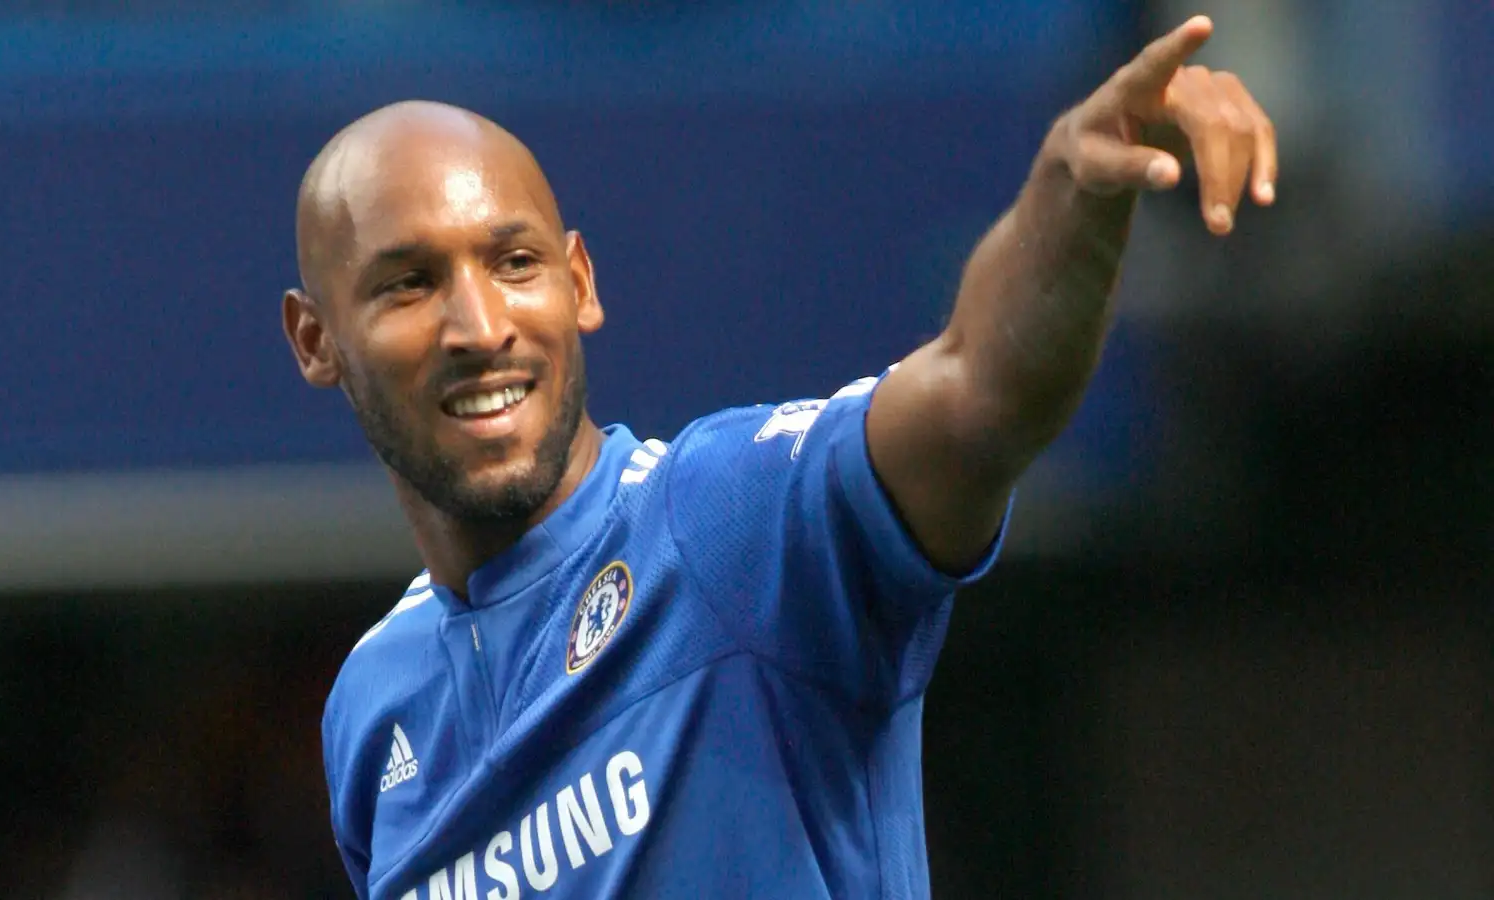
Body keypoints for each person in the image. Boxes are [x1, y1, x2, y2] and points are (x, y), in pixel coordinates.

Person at [283, 16, 1276, 899]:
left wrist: (1073, 183)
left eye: (514, 264)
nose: (479, 323)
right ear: (315, 341)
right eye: (408, 285)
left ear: (578, 282)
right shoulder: (374, 711)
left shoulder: (727, 522)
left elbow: (975, 391)